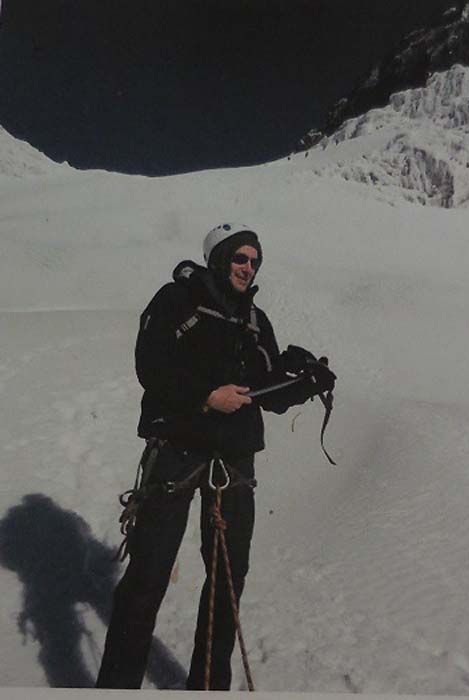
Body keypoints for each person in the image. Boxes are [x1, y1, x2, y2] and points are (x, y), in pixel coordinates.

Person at [96, 223, 336, 690]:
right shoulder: (175, 300)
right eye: (240, 257)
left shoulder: (254, 320)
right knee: (149, 574)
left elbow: (266, 388)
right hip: (177, 450)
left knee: (227, 581)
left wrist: (306, 380)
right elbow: (151, 365)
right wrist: (206, 397)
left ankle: (209, 686)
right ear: (219, 257)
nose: (248, 267)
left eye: (254, 260)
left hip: (234, 458)